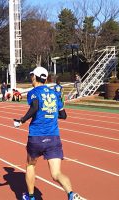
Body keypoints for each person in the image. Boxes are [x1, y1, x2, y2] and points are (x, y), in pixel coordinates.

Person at [14, 66, 84, 200]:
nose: (31, 78)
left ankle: (31, 197)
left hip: (36, 136)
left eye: (32, 76)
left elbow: (34, 107)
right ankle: (71, 194)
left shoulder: (34, 92)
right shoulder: (54, 93)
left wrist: (22, 120)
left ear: (35, 77)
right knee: (56, 173)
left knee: (30, 164)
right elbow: (63, 115)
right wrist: (49, 113)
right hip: (53, 138)